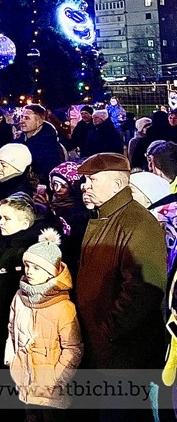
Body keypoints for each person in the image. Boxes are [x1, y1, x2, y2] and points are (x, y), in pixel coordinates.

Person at [77, 153, 167, 420]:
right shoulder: (105, 216)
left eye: (92, 179)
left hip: (123, 354)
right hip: (103, 348)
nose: (85, 185)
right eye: (85, 180)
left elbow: (144, 289)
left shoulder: (137, 224)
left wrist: (108, 330)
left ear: (117, 185)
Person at [5, 229, 83, 416]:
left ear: (51, 272)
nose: (29, 272)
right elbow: (12, 330)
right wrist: (12, 360)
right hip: (24, 380)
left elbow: (72, 348)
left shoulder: (63, 306)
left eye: (37, 268)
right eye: (27, 266)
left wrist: (56, 380)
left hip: (52, 389)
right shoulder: (19, 297)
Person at [0, 193, 40, 370]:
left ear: (24, 223)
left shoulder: (27, 253)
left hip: (15, 329)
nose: (0, 222)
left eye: (7, 218)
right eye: (0, 217)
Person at [15, 105, 62, 183]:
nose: (21, 121)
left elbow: (50, 171)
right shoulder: (18, 140)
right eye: (21, 117)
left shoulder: (49, 145)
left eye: (27, 118)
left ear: (39, 122)